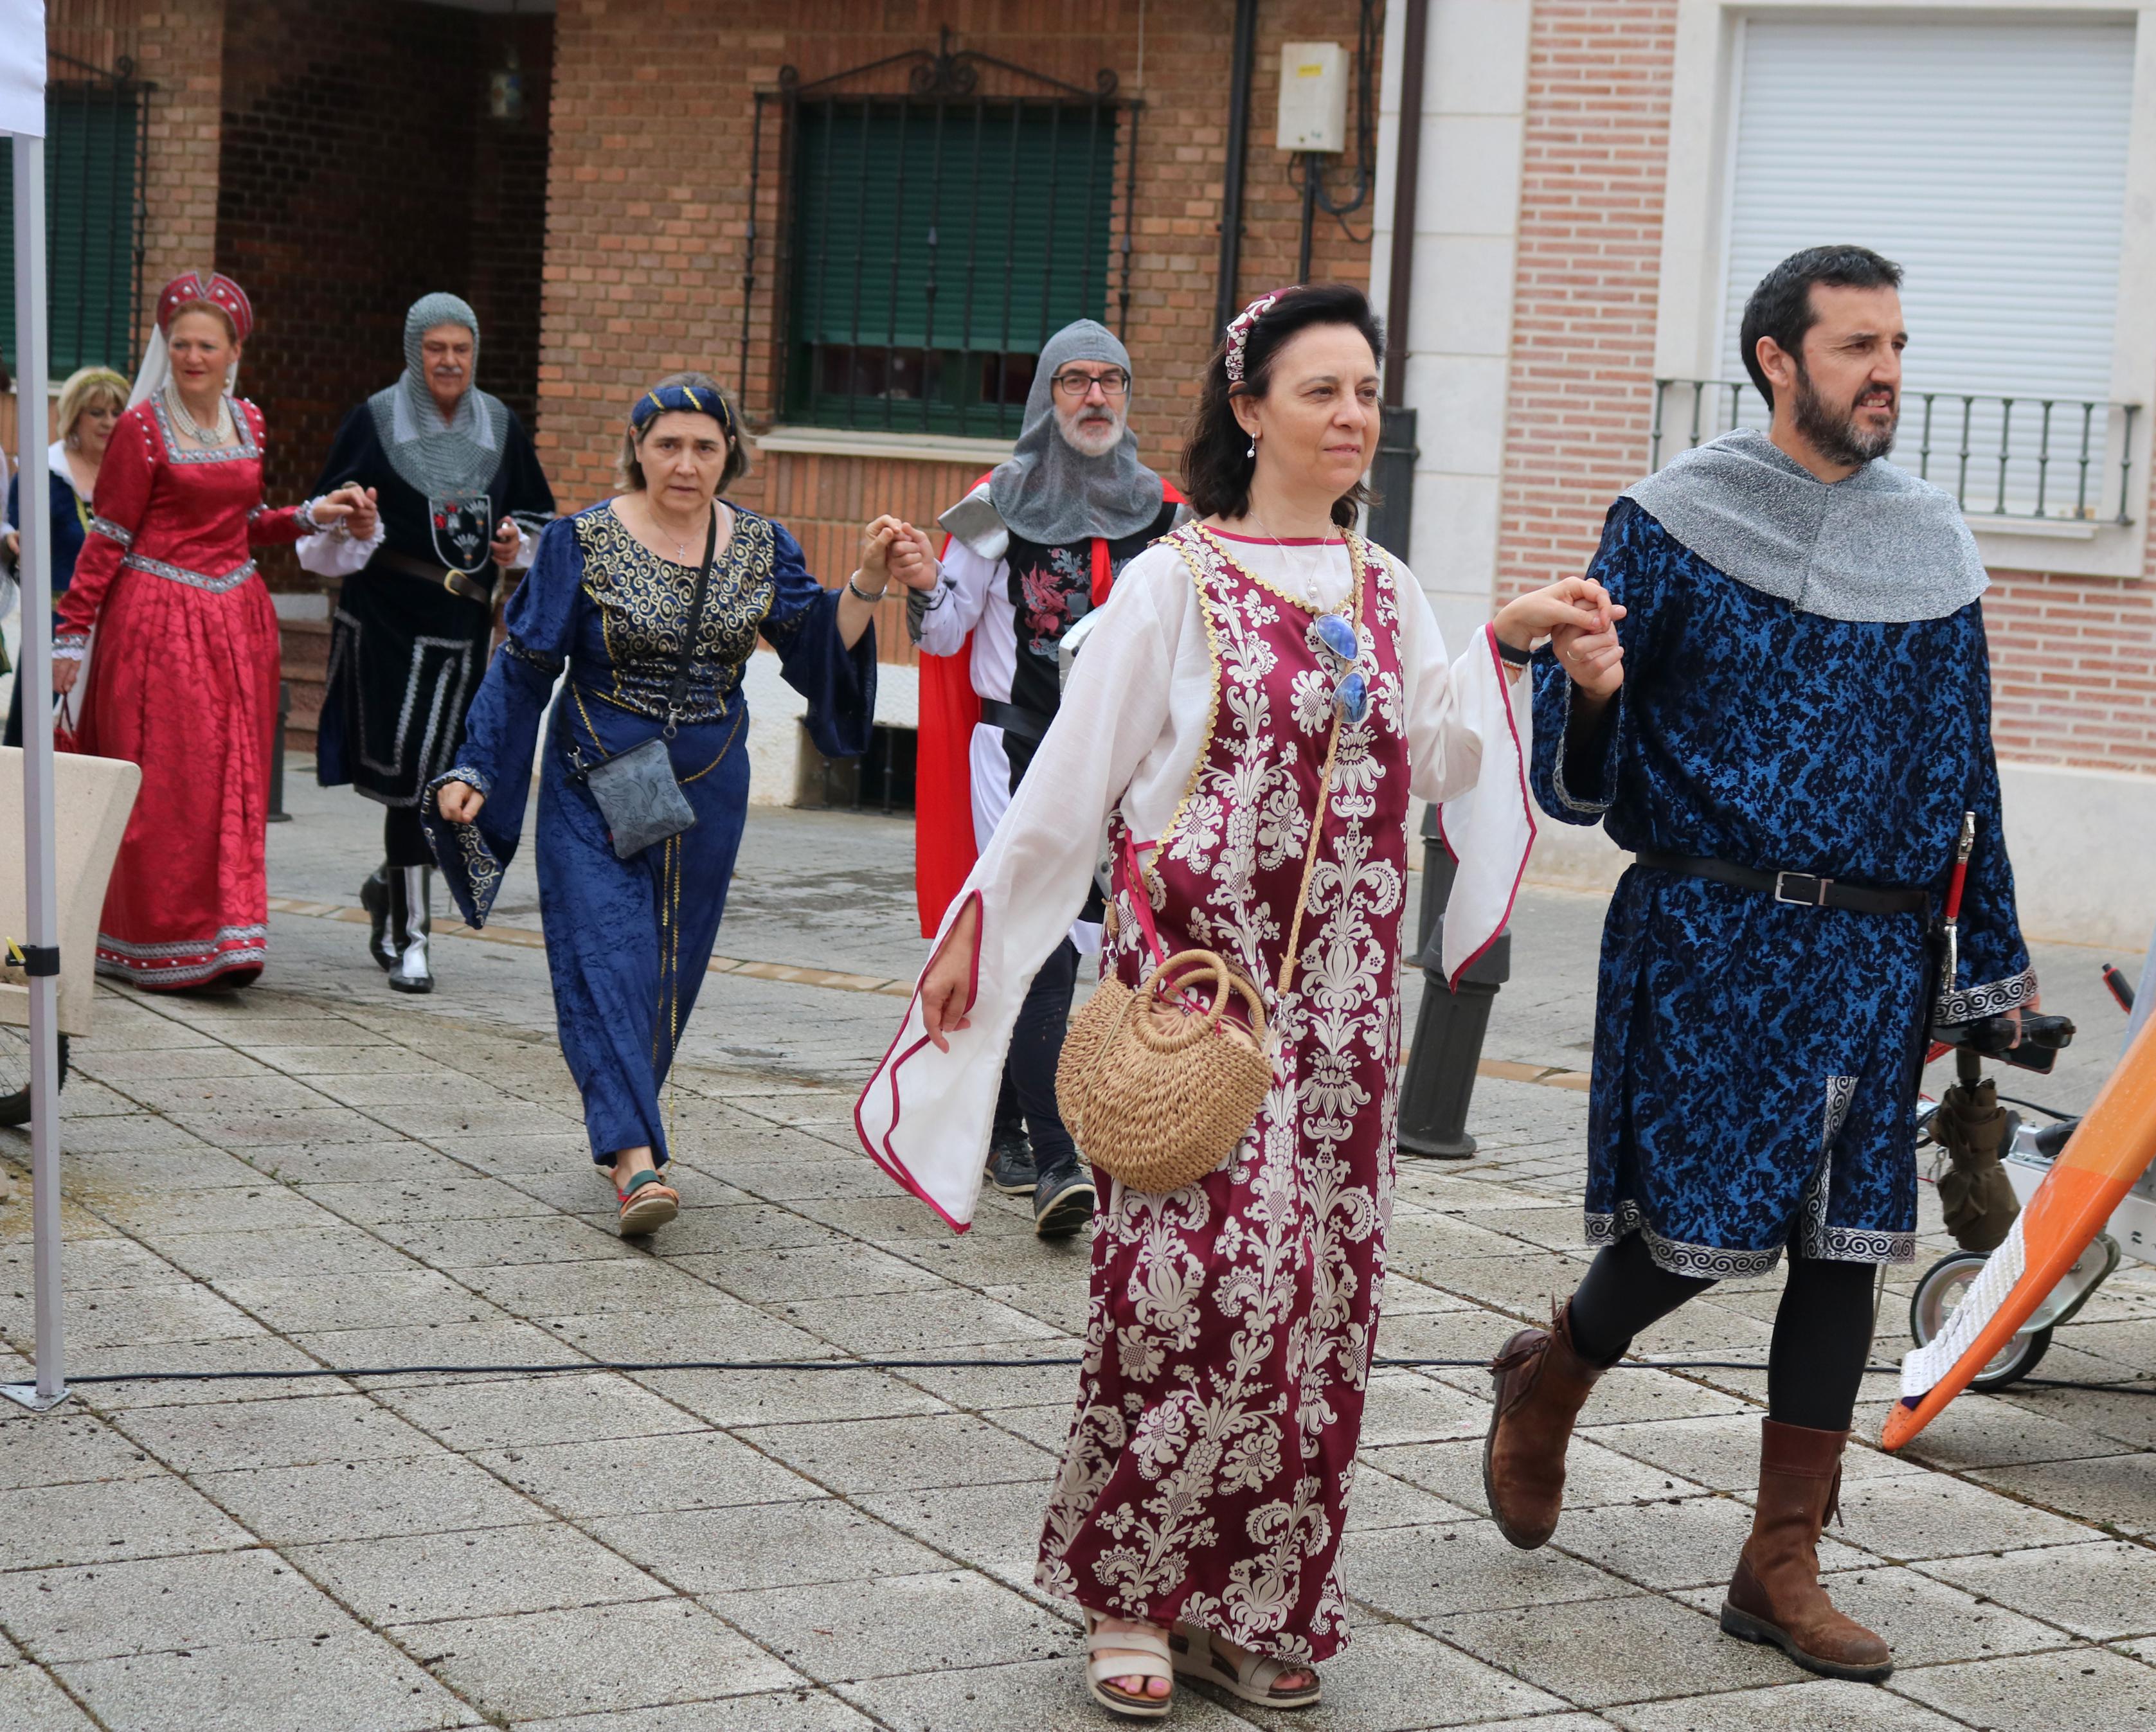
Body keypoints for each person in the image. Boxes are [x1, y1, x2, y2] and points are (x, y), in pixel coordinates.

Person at [858, 283, 1606, 1718]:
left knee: (1319, 1307)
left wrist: (1503, 644)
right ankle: (1131, 1588)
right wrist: (979, 932)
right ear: (1249, 407)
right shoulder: (1173, 583)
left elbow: (1440, 757)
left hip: (1342, 1031)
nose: (1348, 417)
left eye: (1364, 393)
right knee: (1184, 1292)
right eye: (1319, 390)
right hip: (1197, 1005)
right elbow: (1069, 789)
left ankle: (1261, 1595)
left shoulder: (1388, 591)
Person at [1478, 245, 2036, 1686]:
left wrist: (1988, 964)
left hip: (1873, 945)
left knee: (1841, 1250)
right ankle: (1552, 1378)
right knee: (1691, 1227)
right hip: (1710, 930)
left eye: (1896, 345)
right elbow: (1576, 762)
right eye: (1856, 346)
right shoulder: (1668, 522)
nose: (1886, 374)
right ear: (1776, 359)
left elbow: (1965, 768)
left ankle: (1777, 1559)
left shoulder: (1934, 548)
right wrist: (1589, 703)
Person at [427, 373, 877, 1237]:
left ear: (728, 456)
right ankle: (637, 1160)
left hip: (709, 784)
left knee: (666, 971)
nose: (685, 461)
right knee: (607, 953)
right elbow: (524, 666)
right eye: (667, 442)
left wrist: (862, 581)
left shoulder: (759, 545)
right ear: (637, 448)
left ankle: (621, 1126)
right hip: (593, 777)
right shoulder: (579, 541)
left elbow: (818, 649)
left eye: (704, 446)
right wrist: (477, 767)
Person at [881, 317, 1187, 1238]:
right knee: (1040, 936)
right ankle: (1059, 1156)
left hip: (1123, 760)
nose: (1094, 396)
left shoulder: (1169, 512)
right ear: (1045, 396)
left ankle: (1011, 1125)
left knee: (1108, 939)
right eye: (1073, 380)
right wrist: (924, 579)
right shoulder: (989, 504)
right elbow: (942, 635)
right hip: (1015, 752)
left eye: (1109, 381)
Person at [54, 273, 375, 990]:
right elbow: (109, 536)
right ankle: (157, 941)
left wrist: (309, 515)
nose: (192, 356)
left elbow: (242, 523)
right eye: (180, 344)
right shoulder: (142, 429)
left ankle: (227, 938)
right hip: (158, 624)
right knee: (171, 782)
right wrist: (72, 634)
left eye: (206, 344)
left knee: (231, 780)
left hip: (235, 622)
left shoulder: (250, 420)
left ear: (234, 350)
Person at [300, 292, 557, 993]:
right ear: (416, 352)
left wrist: (515, 541)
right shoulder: (375, 420)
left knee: (446, 782)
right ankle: (409, 934)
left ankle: (396, 899)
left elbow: (537, 510)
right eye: (437, 349)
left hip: (464, 627)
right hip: (387, 622)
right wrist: (353, 520)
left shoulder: (499, 425)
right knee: (410, 784)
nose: (449, 362)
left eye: (461, 349)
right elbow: (326, 510)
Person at [3, 364, 127, 746]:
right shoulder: (43, 471)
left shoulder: (131, 474)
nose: (108, 422)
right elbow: (12, 531)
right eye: (97, 412)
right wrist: (13, 543)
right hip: (54, 627)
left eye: (116, 412)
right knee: (39, 739)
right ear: (75, 416)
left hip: (118, 629)